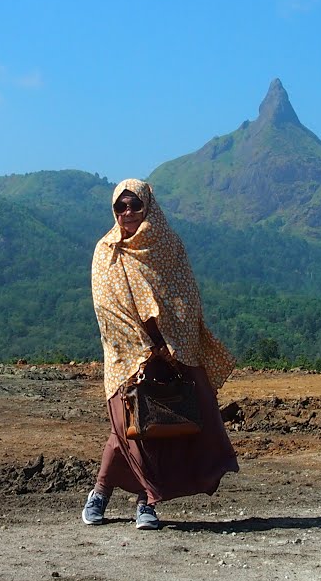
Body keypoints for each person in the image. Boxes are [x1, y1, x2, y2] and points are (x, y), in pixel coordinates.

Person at [83, 179, 239, 529]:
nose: (127, 214)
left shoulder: (169, 246)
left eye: (134, 206)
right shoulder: (107, 250)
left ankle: (136, 501)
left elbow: (186, 299)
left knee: (156, 427)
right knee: (128, 429)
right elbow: (107, 310)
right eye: (120, 207)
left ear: (149, 207)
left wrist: (172, 345)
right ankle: (114, 496)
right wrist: (142, 350)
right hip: (128, 359)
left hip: (172, 356)